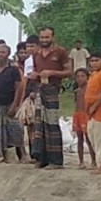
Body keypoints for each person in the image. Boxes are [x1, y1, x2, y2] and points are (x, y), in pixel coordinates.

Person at [29, 27, 72, 169]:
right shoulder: (36, 53)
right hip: (39, 90)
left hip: (53, 90)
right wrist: (35, 76)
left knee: (52, 124)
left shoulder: (61, 52)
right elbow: (35, 71)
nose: (44, 40)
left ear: (53, 37)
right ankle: (42, 158)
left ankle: (56, 161)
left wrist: (52, 72)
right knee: (39, 125)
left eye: (47, 37)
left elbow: (69, 71)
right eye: (42, 37)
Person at [0, 44, 26, 165]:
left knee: (16, 129)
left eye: (3, 52)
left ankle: (23, 155)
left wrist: (14, 104)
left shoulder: (13, 69)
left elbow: (18, 87)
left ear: (8, 53)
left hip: (9, 103)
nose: (1, 55)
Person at [71, 69, 96, 169]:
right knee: (79, 139)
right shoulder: (77, 90)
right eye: (78, 76)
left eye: (82, 76)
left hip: (86, 115)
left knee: (89, 139)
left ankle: (93, 160)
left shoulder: (89, 89)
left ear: (87, 77)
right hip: (77, 115)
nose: (80, 79)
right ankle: (81, 161)